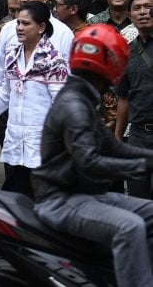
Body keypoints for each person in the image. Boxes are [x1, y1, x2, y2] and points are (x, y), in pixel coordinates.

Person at [32, 24, 153, 287]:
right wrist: (137, 167)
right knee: (129, 227)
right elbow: (89, 161)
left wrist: (148, 159)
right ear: (110, 63)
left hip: (85, 195)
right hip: (62, 200)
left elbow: (113, 147)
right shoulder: (75, 105)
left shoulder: (82, 96)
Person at [0, 1, 69, 198]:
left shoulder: (54, 61)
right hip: (16, 136)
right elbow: (5, 92)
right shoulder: (13, 55)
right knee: (21, 191)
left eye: (26, 23)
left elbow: (62, 102)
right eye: (18, 23)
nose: (19, 28)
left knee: (44, 197)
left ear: (41, 27)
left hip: (43, 139)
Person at [115, 0, 153, 199]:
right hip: (138, 136)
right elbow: (124, 97)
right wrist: (118, 137)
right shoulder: (126, 53)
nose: (142, 12)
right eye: (137, 8)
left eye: (148, 7)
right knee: (139, 197)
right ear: (130, 15)